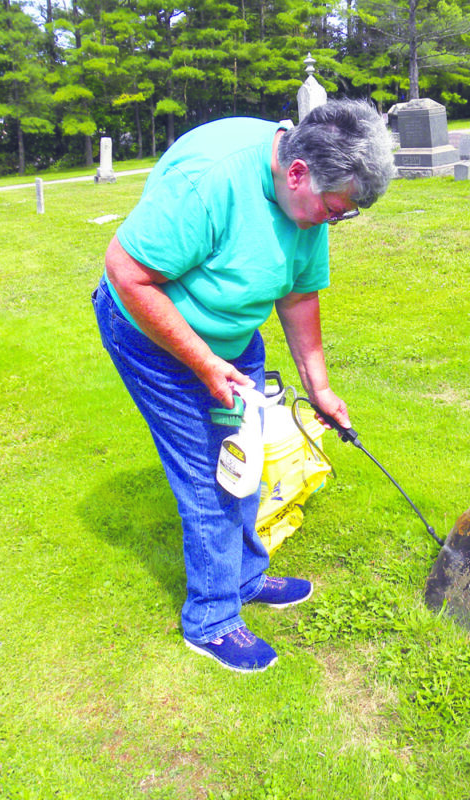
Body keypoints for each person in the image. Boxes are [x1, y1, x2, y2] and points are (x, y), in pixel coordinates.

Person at [92, 99, 394, 672]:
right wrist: (204, 362)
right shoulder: (211, 180)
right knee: (209, 474)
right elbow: (126, 272)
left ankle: (244, 577)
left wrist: (320, 387)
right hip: (153, 336)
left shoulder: (309, 198)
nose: (330, 223)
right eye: (333, 211)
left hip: (230, 341)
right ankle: (210, 620)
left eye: (342, 216)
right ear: (297, 173)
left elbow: (299, 294)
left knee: (244, 459)